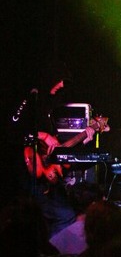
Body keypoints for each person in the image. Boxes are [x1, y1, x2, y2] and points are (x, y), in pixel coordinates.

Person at [18, 60, 97, 237]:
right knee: (64, 215)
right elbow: (15, 132)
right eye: (59, 80)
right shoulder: (30, 102)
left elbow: (56, 150)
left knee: (66, 213)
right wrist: (44, 136)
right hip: (29, 173)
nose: (61, 85)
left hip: (46, 179)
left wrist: (84, 140)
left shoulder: (48, 106)